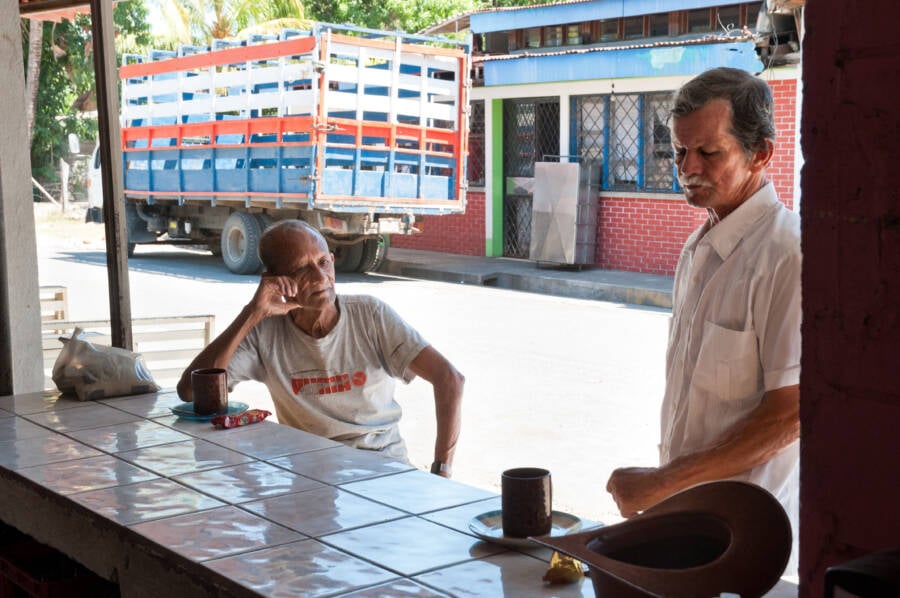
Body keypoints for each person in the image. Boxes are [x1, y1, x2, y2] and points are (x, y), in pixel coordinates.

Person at [606, 67, 801, 545]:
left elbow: (790, 415)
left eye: (709, 152)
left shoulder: (787, 255)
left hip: (749, 535)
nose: (687, 167)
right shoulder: (698, 248)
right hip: (688, 514)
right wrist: (668, 488)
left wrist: (661, 483)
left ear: (761, 154)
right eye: (678, 151)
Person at [177, 220, 464, 476]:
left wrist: (442, 470)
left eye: (323, 262)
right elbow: (190, 391)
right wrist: (253, 312)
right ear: (275, 279)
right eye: (302, 269)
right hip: (310, 477)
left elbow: (450, 379)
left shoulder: (370, 315)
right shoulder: (264, 331)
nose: (319, 278)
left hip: (383, 469)